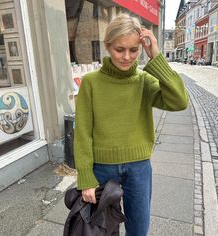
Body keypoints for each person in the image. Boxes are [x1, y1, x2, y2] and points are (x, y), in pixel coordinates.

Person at [73, 13, 188, 236]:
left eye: (133, 50)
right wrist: (85, 176)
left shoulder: (144, 80)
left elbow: (179, 101)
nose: (127, 57)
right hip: (101, 169)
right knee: (100, 229)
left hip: (139, 168)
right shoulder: (91, 82)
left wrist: (156, 56)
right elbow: (83, 132)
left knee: (139, 228)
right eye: (119, 49)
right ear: (107, 46)